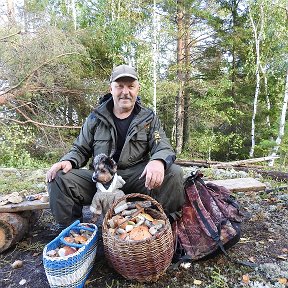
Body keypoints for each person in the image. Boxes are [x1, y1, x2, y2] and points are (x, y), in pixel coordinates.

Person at [46, 64, 185, 228]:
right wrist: (68, 160)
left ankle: (164, 227)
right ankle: (72, 232)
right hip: (101, 179)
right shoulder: (95, 117)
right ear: (111, 89)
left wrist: (158, 161)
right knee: (59, 177)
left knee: (174, 173)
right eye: (119, 86)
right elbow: (80, 149)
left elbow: (162, 145)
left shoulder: (148, 118)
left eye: (131, 86)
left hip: (136, 178)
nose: (125, 92)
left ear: (137, 89)